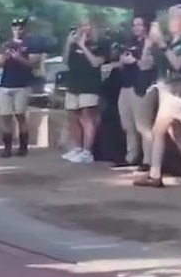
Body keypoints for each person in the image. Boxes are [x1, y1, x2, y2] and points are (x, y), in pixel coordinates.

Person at [135, 5, 181, 189]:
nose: (174, 20)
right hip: (166, 91)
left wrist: (161, 44)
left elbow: (178, 64)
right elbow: (144, 65)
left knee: (158, 130)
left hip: (179, 92)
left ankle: (155, 175)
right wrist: (149, 45)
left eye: (179, 17)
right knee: (178, 133)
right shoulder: (166, 41)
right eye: (172, 16)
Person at [61, 19, 109, 163]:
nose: (84, 28)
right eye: (81, 26)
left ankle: (88, 151)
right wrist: (69, 44)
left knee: (87, 117)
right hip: (73, 84)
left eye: (87, 25)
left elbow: (96, 62)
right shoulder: (74, 43)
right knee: (73, 116)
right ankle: (78, 148)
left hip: (89, 85)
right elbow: (65, 61)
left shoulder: (100, 44)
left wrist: (83, 46)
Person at [0, 18, 42, 157]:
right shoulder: (6, 45)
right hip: (6, 84)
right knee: (5, 116)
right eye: (15, 28)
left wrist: (18, 57)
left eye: (20, 28)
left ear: (25, 29)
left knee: (20, 115)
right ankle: (7, 147)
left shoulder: (31, 44)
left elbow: (34, 64)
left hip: (22, 84)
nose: (18, 30)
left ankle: (23, 146)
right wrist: (5, 58)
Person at [115, 16, 155, 169]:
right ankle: (131, 157)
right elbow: (120, 63)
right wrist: (123, 60)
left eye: (139, 24)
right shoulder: (129, 44)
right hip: (125, 86)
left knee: (143, 126)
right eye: (134, 24)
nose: (136, 27)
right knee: (128, 125)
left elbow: (147, 65)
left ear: (146, 27)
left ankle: (148, 160)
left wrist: (134, 61)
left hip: (142, 87)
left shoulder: (150, 44)